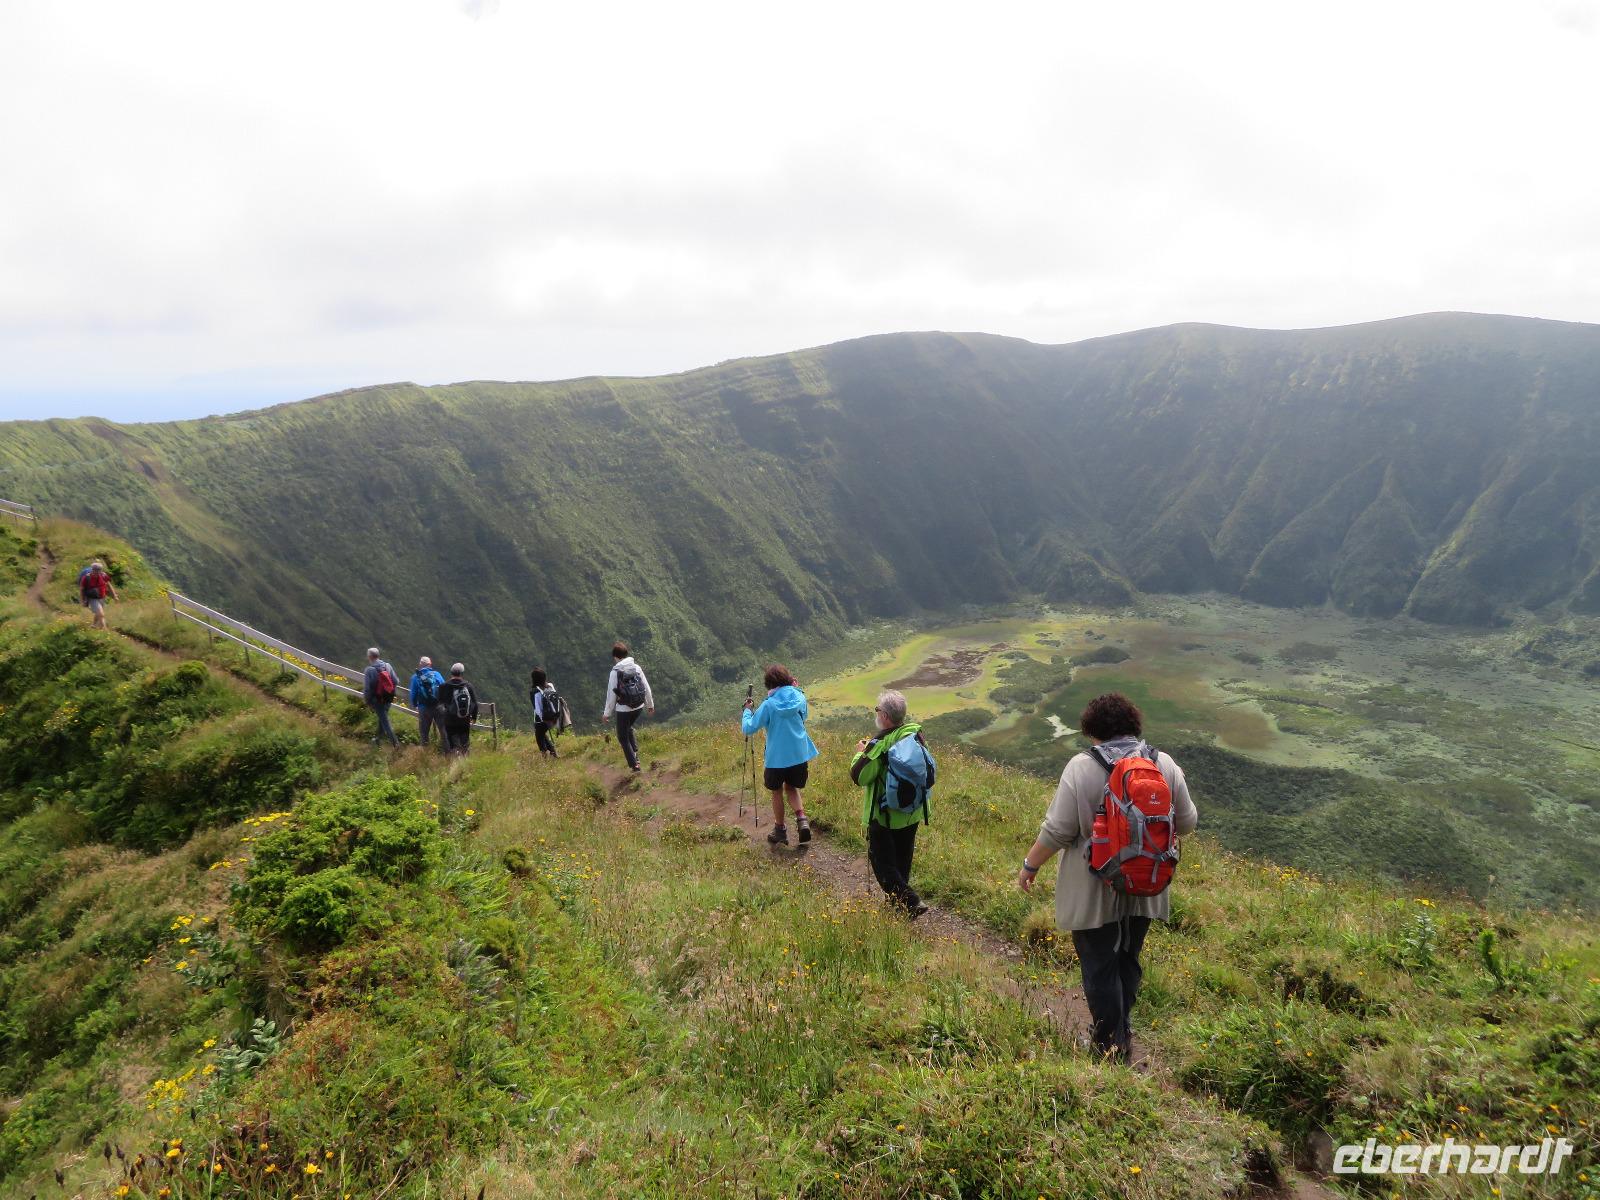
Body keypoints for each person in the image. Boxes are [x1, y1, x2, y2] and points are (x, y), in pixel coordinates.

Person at [1016, 692, 1198, 1062]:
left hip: (1094, 887)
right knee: (1128, 958)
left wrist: (1030, 865)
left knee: (1100, 964)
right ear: (1134, 725)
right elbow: (1189, 823)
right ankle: (1121, 1030)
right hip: (1146, 882)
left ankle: (1109, 1046)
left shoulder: (1082, 767)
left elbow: (1058, 831)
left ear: (1093, 730)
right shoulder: (1163, 763)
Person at [850, 689, 932, 918]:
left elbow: (859, 777)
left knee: (882, 863)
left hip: (885, 816)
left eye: (878, 710)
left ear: (885, 716)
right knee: (901, 861)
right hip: (912, 812)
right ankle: (898, 907)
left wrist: (860, 753)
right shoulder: (915, 735)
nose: (876, 713)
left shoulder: (880, 744)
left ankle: (910, 901)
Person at [741, 664, 819, 846]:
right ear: (788, 680)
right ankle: (802, 820)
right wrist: (796, 689)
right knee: (792, 788)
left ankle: (780, 830)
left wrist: (747, 710)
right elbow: (804, 716)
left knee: (777, 791)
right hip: (799, 754)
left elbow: (749, 728)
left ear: (769, 685)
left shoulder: (769, 705)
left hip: (776, 758)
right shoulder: (799, 697)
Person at [600, 641, 654, 772]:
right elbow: (645, 686)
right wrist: (650, 704)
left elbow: (611, 694)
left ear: (616, 657)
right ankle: (636, 755)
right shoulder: (636, 667)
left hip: (624, 709)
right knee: (628, 728)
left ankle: (634, 766)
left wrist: (607, 713)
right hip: (638, 706)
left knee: (622, 737)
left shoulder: (615, 672)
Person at [437, 662, 480, 756]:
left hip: (449, 719)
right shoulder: (468, 686)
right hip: (464, 719)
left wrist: (444, 714)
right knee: (464, 741)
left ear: (451, 673)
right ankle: (465, 759)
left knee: (452, 742)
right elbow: (475, 703)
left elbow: (439, 703)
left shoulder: (444, 686)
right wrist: (474, 717)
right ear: (462, 673)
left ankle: (455, 759)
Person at [362, 647, 399, 747]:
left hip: (377, 700)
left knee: (385, 722)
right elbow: (395, 681)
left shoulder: (369, 670)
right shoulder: (388, 666)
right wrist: (389, 692)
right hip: (388, 698)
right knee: (382, 719)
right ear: (378, 656)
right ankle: (377, 739)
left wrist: (367, 701)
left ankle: (396, 745)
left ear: (369, 657)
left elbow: (367, 689)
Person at [409, 656, 446, 749]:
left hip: (423, 708)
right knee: (443, 731)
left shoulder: (415, 677)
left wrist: (415, 705)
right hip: (438, 707)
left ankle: (425, 755)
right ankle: (447, 753)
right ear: (430, 664)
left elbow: (413, 694)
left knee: (424, 733)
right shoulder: (437, 674)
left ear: (420, 665)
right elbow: (445, 689)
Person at [529, 667, 562, 758]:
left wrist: (542, 719)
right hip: (553, 716)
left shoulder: (534, 692)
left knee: (539, 736)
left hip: (542, 719)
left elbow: (537, 708)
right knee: (542, 733)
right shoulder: (550, 686)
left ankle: (544, 754)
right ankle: (553, 752)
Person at [79, 560, 119, 629]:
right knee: (101, 614)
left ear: (101, 570)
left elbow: (109, 586)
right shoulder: (86, 578)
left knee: (98, 613)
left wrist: (114, 596)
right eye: (95, 570)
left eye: (98, 570)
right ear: (92, 569)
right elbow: (82, 589)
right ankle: (104, 629)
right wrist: (83, 600)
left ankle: (94, 625)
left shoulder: (103, 576)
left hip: (102, 597)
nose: (96, 572)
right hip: (92, 598)